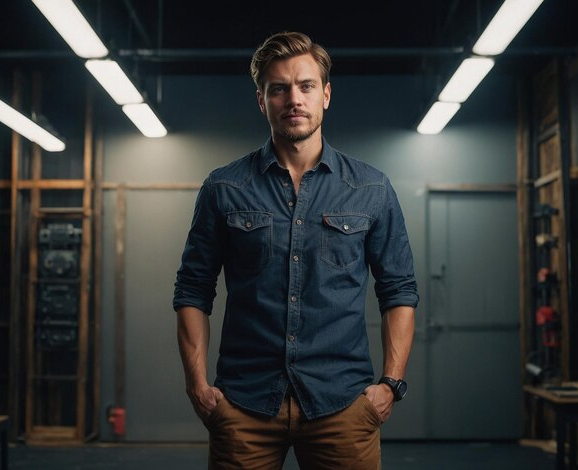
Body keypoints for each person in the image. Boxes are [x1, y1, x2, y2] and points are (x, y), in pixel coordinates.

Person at [173, 31, 418, 470]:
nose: (293, 99)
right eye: (278, 88)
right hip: (244, 406)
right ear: (261, 100)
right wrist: (197, 386)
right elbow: (193, 289)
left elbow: (398, 290)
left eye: (306, 86)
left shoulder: (371, 188)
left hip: (342, 405)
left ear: (325, 95)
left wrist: (391, 384)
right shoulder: (224, 187)